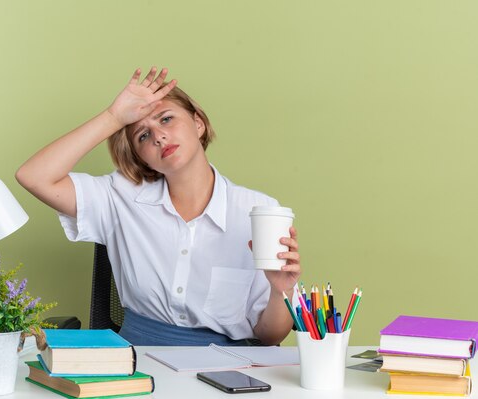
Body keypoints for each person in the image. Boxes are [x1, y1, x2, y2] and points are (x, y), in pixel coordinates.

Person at [16, 67, 301, 346]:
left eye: (166, 119)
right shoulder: (120, 196)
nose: (158, 136)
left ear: (198, 123)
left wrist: (281, 291)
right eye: (143, 135)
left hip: (226, 368)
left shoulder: (259, 210)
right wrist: (113, 117)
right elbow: (34, 176)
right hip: (139, 360)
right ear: (142, 159)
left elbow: (269, 336)